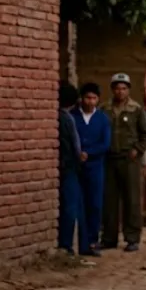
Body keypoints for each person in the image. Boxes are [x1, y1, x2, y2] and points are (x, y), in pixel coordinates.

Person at [101, 73, 146, 252]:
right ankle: (108, 238)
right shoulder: (104, 108)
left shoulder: (136, 109)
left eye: (123, 88)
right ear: (112, 89)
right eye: (117, 88)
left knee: (132, 199)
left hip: (129, 160)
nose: (120, 91)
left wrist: (137, 149)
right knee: (109, 200)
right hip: (109, 159)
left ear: (128, 90)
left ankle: (132, 238)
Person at [72, 82, 111, 257]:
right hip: (76, 167)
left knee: (94, 204)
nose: (90, 101)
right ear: (81, 98)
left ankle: (92, 241)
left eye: (94, 98)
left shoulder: (102, 119)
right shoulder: (73, 116)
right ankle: (79, 242)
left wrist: (90, 153)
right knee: (77, 203)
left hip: (95, 167)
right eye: (87, 97)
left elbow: (105, 143)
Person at [58, 82, 86, 255]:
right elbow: (76, 145)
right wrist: (80, 157)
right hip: (69, 167)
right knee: (71, 206)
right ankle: (66, 244)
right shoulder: (67, 118)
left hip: (59, 166)